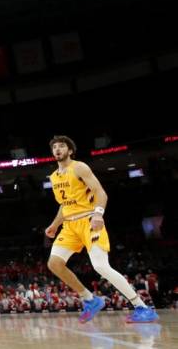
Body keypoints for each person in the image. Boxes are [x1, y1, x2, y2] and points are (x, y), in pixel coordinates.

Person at [45, 135, 158, 324]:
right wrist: (55, 224)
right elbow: (64, 205)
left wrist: (98, 214)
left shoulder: (79, 167)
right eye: (55, 147)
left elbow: (100, 193)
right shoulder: (55, 176)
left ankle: (142, 307)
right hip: (70, 226)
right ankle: (90, 299)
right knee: (54, 264)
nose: (58, 149)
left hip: (89, 220)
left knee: (100, 266)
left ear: (70, 151)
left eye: (62, 146)